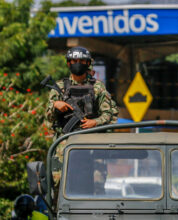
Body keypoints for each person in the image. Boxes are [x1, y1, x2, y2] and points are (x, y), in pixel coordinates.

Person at [45, 46, 118, 206]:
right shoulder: (59, 88)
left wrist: (95, 122)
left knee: (96, 188)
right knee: (58, 187)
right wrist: (55, 106)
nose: (77, 63)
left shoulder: (97, 87)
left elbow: (111, 115)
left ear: (88, 63)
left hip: (91, 145)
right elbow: (48, 120)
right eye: (74, 61)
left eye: (81, 61)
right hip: (64, 145)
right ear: (68, 63)